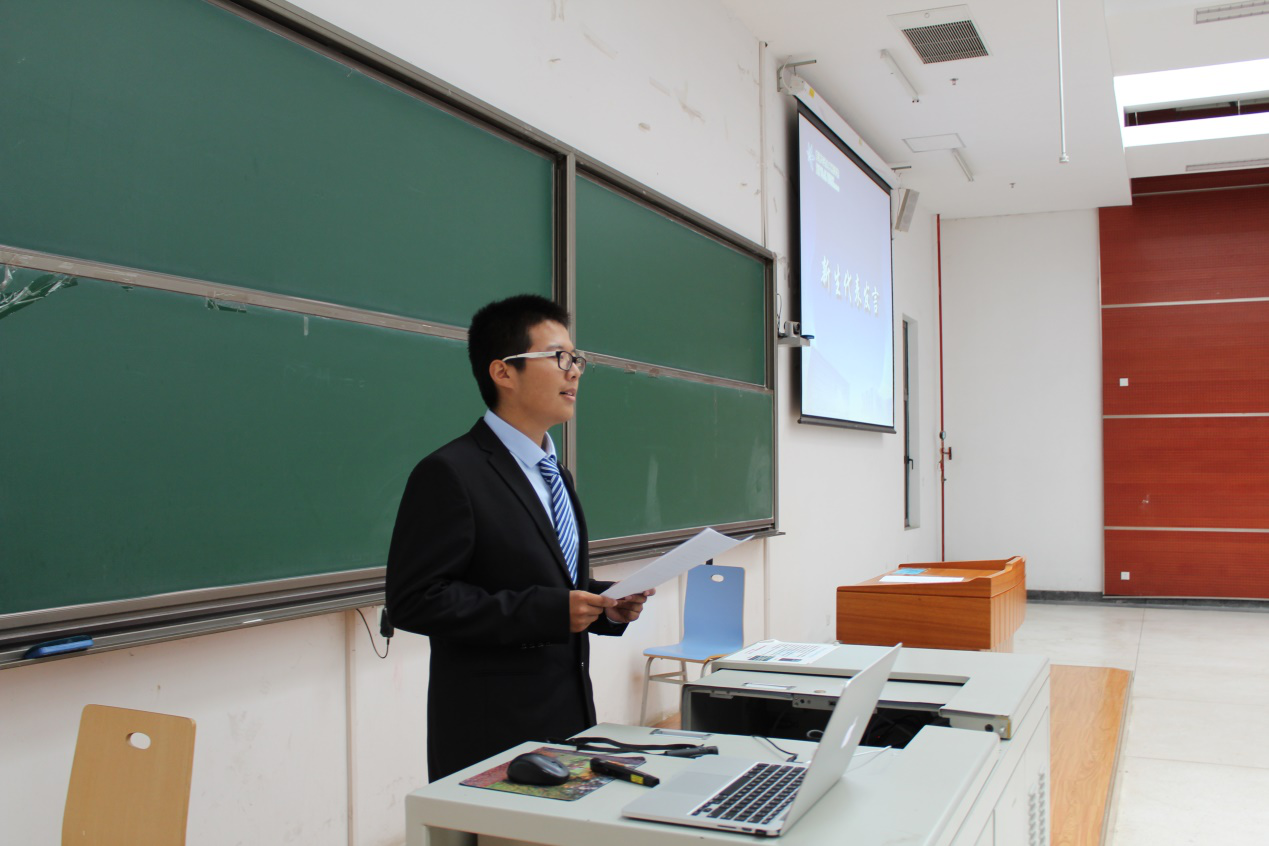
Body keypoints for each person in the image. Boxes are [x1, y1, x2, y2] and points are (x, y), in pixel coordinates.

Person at [386, 294, 652, 782]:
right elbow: (415, 601)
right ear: (503, 372)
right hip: (492, 732)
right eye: (559, 357)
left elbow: (545, 581)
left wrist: (604, 604)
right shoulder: (450, 473)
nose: (575, 371)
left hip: (566, 720)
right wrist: (548, 611)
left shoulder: (555, 473)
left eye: (576, 358)